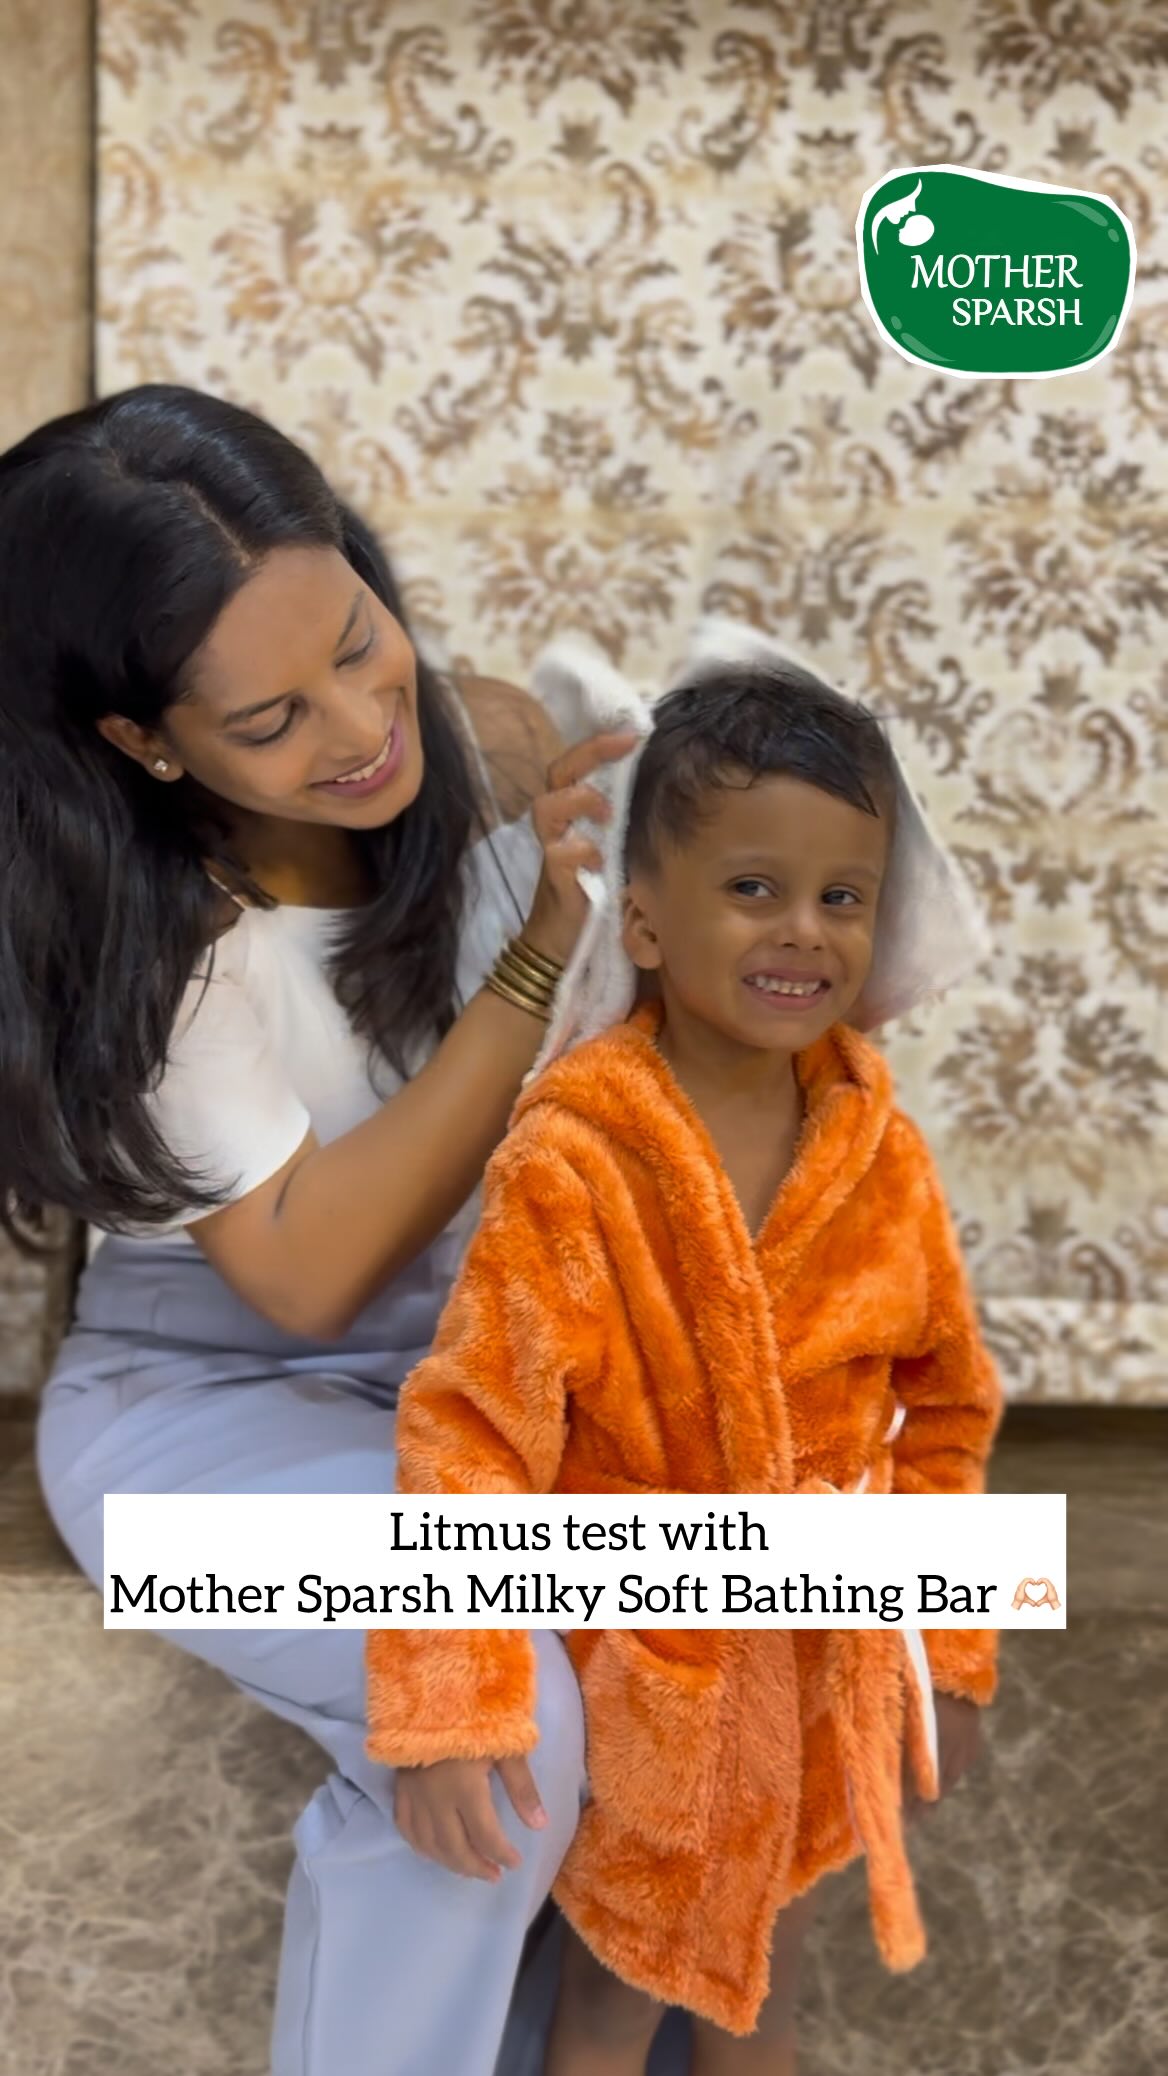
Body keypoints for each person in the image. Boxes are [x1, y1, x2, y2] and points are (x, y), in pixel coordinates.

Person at [0, 383, 641, 2076]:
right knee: (490, 1706)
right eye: (274, 717)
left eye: (360, 640)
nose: (362, 725)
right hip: (202, 1424)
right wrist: (533, 964)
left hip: (471, 1404)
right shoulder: (158, 937)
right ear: (144, 744)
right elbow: (303, 1274)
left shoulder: (461, 742)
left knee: (696, 1653)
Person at [365, 642, 1005, 2076]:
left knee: (759, 1985)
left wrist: (944, 1651)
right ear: (644, 923)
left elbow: (946, 1410)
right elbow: (472, 1439)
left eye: (843, 898)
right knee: (615, 1996)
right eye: (754, 889)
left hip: (807, 1658)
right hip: (637, 1660)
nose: (805, 933)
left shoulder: (875, 1155)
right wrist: (456, 1702)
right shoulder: (577, 1158)